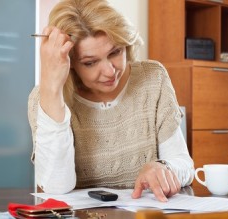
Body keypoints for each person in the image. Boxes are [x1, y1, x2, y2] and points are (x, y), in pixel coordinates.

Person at [28, 0, 194, 202]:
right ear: (69, 63)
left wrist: (163, 167)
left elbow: (184, 164)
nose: (109, 71)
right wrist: (52, 88)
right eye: (90, 62)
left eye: (115, 52)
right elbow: (56, 187)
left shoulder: (152, 79)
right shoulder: (43, 98)